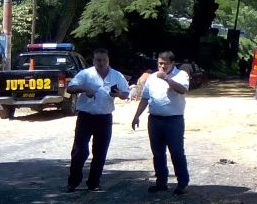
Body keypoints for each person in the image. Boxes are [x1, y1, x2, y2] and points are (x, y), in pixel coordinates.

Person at [65, 48, 130, 192]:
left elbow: (126, 93)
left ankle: (94, 183)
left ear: (108, 60)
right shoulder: (86, 74)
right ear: (93, 60)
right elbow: (70, 88)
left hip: (104, 118)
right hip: (86, 117)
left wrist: (119, 94)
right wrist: (84, 89)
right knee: (79, 151)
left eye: (104, 60)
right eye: (98, 60)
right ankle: (73, 182)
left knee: (100, 152)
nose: (101, 63)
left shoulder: (116, 75)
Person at [132, 51, 191, 195]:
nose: (162, 66)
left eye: (165, 63)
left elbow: (182, 90)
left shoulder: (181, 75)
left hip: (174, 120)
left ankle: (182, 183)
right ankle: (161, 182)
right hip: (155, 119)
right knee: (158, 153)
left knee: (176, 152)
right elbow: (145, 98)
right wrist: (137, 116)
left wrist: (167, 79)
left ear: (173, 63)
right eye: (160, 63)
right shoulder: (152, 77)